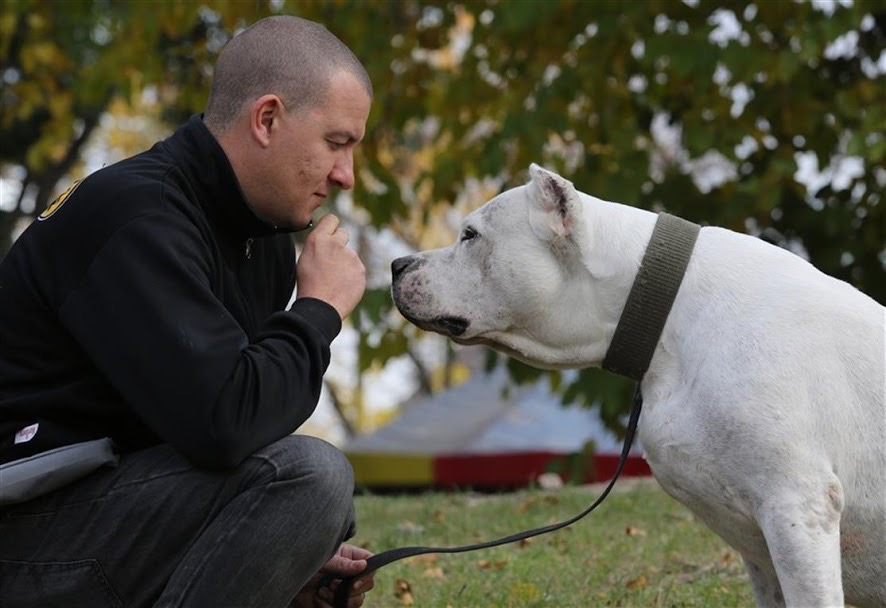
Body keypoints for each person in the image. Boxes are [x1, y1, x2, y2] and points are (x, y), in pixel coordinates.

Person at [0, 15, 377, 608]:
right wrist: (318, 310)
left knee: (311, 496)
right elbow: (225, 423)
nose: (346, 176)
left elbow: (232, 437)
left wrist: (276, 556)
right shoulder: (138, 216)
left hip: (93, 514)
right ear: (268, 118)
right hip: (20, 532)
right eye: (336, 143)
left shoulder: (262, 239)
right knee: (311, 476)